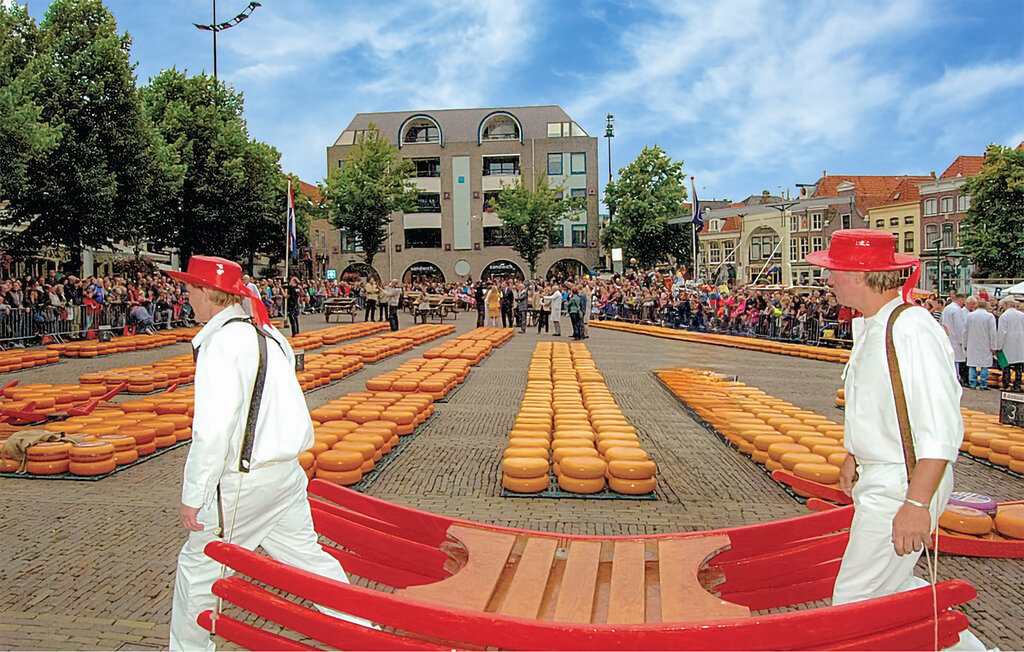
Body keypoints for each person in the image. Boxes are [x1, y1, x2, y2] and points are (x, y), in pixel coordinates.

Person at [166, 256, 374, 650]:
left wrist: (194, 494)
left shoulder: (222, 343)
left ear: (209, 293)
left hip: (245, 482)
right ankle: (364, 632)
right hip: (285, 473)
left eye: (190, 288)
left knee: (198, 570)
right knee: (310, 562)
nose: (186, 296)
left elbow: (212, 428)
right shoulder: (268, 334)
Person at [805, 231, 967, 613]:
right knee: (890, 590)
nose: (828, 281)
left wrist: (916, 503)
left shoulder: (910, 329)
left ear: (859, 274)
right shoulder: (876, 324)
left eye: (834, 271)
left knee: (856, 600)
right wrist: (854, 453)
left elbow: (940, 430)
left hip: (903, 480)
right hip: (888, 474)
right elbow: (881, 406)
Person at [963, 297, 997, 390]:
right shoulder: (990, 316)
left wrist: (964, 343)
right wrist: (994, 345)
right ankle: (983, 384)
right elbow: (993, 332)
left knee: (972, 364)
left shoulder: (970, 316)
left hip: (972, 343)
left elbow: (965, 331)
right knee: (984, 365)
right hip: (985, 343)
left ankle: (972, 383)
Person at [941, 292, 968, 386]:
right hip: (955, 338)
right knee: (956, 360)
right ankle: (956, 378)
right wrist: (962, 340)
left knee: (950, 359)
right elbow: (959, 326)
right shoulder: (957, 310)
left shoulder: (947, 308)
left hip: (948, 336)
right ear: (960, 299)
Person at [997, 297, 1024, 392]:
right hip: (1020, 344)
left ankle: (1006, 385)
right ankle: (1017, 385)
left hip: (1007, 344)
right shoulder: (1022, 315)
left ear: (1005, 305)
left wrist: (998, 346)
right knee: (1019, 367)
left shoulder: (1004, 317)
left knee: (1006, 366)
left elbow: (1002, 333)